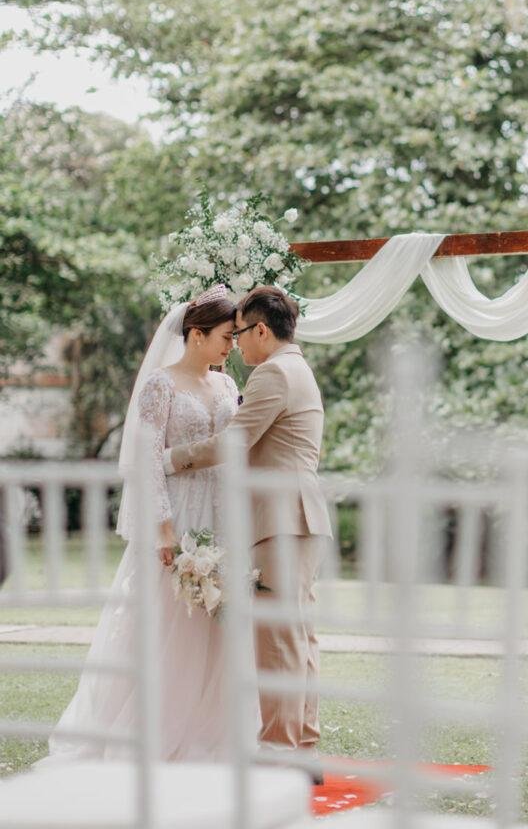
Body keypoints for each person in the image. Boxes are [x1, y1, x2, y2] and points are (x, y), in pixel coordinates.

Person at [42, 285, 260, 763]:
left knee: (218, 625)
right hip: (178, 513)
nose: (232, 346)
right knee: (166, 621)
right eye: (226, 336)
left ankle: (213, 730)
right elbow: (144, 460)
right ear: (196, 334)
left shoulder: (226, 385)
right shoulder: (160, 385)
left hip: (222, 511)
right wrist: (163, 530)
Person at [164, 285, 332, 757]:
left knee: (278, 640)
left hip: (281, 517)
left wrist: (170, 459)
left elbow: (232, 443)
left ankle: (281, 748)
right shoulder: (296, 367)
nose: (236, 345)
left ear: (262, 329)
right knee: (299, 636)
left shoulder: (274, 373)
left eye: (240, 334)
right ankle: (304, 745)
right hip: (298, 516)